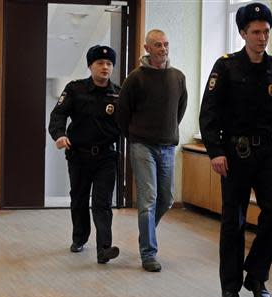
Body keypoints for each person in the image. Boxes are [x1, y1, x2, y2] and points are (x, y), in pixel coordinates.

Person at [199, 3, 272, 297]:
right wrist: (215, 151)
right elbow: (209, 114)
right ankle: (230, 286)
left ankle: (256, 277)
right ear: (243, 33)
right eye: (255, 32)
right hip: (233, 152)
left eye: (266, 31)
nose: (262, 37)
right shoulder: (226, 66)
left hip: (266, 151)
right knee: (234, 220)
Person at [117, 29, 188, 272]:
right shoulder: (135, 78)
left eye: (166, 44)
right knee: (148, 199)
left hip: (167, 145)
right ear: (147, 49)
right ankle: (149, 253)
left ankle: (145, 233)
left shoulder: (178, 77)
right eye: (157, 45)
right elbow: (122, 113)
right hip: (141, 145)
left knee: (166, 199)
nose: (163, 49)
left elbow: (179, 109)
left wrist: (167, 132)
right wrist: (134, 137)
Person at [48, 45, 121, 264]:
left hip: (106, 157)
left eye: (109, 64)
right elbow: (58, 115)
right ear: (90, 66)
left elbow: (129, 122)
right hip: (79, 155)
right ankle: (79, 238)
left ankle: (104, 249)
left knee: (103, 203)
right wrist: (59, 135)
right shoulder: (75, 89)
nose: (105, 67)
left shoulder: (119, 93)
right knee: (79, 199)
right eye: (100, 63)